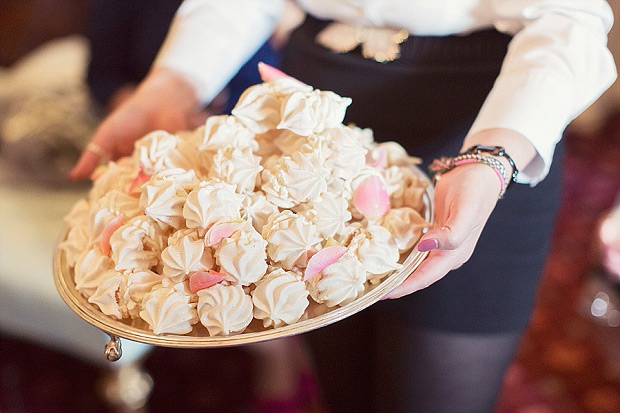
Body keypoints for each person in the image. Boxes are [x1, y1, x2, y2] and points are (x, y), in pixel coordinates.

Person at [70, 1, 617, 412]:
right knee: (343, 386)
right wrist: (176, 80)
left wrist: (493, 155)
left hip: (485, 120)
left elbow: (569, 14)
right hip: (313, 130)